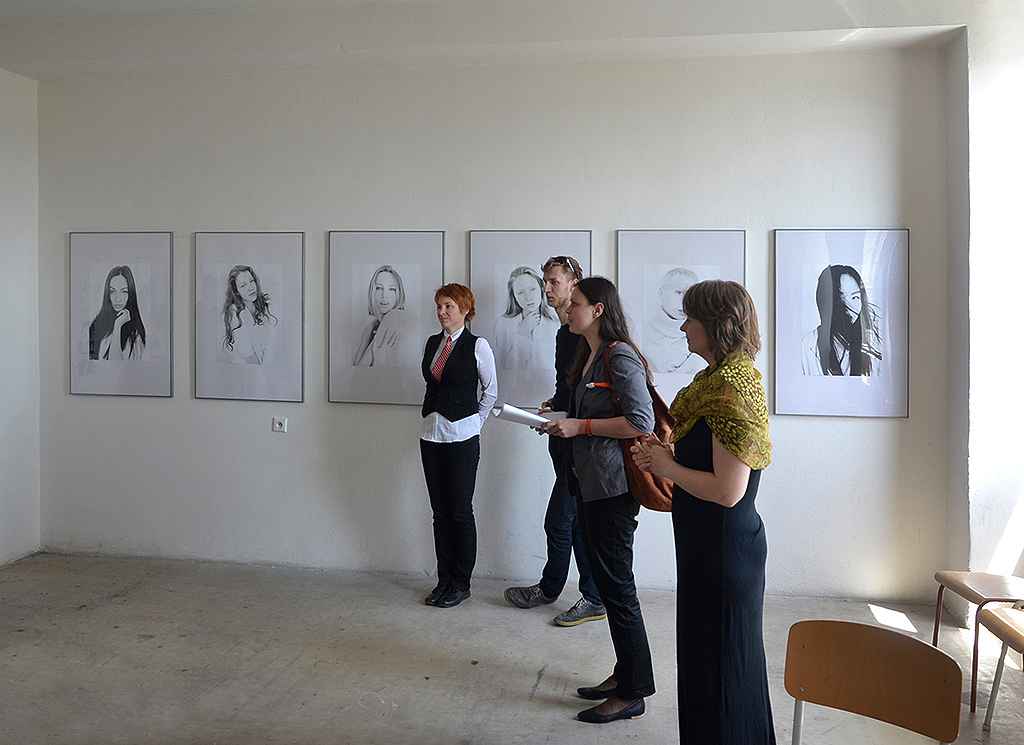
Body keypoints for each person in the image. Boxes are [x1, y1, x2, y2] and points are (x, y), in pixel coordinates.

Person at [631, 279, 775, 744]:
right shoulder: (715, 382)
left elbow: (728, 491)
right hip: (708, 549)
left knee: (721, 679)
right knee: (710, 671)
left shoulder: (729, 391)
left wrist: (667, 466)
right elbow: (707, 460)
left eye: (691, 318)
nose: (684, 327)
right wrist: (665, 455)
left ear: (716, 326)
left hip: (723, 554)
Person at [540, 276, 656, 724]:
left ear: (599, 310)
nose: (568, 309)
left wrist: (580, 427)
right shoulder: (588, 354)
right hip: (588, 485)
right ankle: (626, 673)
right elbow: (588, 410)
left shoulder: (618, 354)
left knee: (617, 590)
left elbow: (641, 420)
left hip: (612, 490)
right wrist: (559, 418)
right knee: (610, 587)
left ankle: (632, 692)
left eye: (576, 303)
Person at [504, 256, 606, 627]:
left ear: (573, 284)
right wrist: (556, 404)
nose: (546, 288)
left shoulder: (590, 336)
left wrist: (569, 416)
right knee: (574, 522)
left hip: (581, 442)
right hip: (562, 436)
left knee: (559, 521)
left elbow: (601, 394)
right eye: (544, 282)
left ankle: (554, 589)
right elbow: (573, 386)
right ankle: (591, 595)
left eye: (553, 282)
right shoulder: (565, 333)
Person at [420, 283, 498, 609]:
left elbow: (490, 392)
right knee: (440, 513)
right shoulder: (432, 343)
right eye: (439, 306)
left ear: (465, 310)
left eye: (448, 306)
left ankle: (461, 583)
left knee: (460, 512)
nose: (441, 312)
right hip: (430, 435)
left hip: (462, 437)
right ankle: (444, 580)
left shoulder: (478, 346)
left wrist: (474, 423)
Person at [801, 264, 882, 376]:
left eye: (855, 297)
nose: (849, 307)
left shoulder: (874, 344)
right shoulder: (806, 346)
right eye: (839, 299)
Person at [492, 266, 560, 371]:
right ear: (514, 296)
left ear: (541, 288)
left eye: (532, 289)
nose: (528, 297)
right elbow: (504, 368)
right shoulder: (503, 324)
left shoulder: (555, 323)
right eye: (521, 292)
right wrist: (523, 333)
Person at [643, 267, 700, 374]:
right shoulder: (644, 333)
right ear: (661, 293)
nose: (685, 300)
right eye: (679, 292)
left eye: (690, 295)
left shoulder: (701, 334)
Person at [353, 265, 411, 367]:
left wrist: (365, 338)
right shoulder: (375, 325)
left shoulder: (394, 316)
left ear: (399, 293)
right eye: (379, 288)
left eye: (392, 289)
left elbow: (358, 369)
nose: (384, 295)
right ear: (372, 292)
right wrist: (366, 335)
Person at [89, 265, 147, 361]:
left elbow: (117, 365)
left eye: (124, 292)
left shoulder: (135, 333)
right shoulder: (98, 323)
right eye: (112, 291)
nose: (118, 299)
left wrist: (117, 327)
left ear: (130, 294)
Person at [223, 265, 277, 365]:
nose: (251, 288)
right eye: (243, 285)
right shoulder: (235, 314)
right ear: (236, 292)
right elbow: (250, 358)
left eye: (252, 281)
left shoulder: (267, 307)